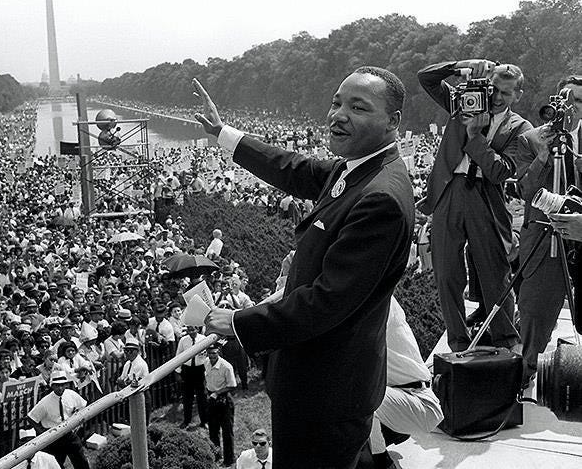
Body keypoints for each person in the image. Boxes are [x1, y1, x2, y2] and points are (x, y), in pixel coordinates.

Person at [195, 65, 414, 469]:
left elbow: (327, 302)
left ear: (393, 122)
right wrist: (223, 134)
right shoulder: (358, 168)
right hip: (319, 381)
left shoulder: (380, 197)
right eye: (336, 102)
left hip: (327, 392)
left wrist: (240, 321)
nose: (339, 114)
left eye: (358, 106)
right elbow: (292, 168)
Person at [417, 59, 532, 352]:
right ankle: (458, 341)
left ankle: (506, 340)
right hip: (449, 191)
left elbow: (500, 171)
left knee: (495, 271)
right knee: (446, 272)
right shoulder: (463, 102)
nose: (495, 97)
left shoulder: (521, 128)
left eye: (505, 93)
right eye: (493, 89)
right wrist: (460, 65)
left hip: (486, 196)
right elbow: (426, 78)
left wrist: (474, 137)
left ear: (518, 96)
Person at [516, 74, 582, 385]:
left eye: (580, 102)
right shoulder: (531, 139)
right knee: (536, 312)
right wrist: (546, 152)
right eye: (568, 99)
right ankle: (527, 372)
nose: (573, 107)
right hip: (544, 238)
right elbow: (526, 191)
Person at [369, 296, 443, 468]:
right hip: (398, 394)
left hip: (419, 401)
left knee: (360, 395)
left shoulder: (378, 305)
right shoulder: (372, 294)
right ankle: (384, 435)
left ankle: (382, 462)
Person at [27, 371, 90, 469]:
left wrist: (78, 422)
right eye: (57, 385)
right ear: (52, 386)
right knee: (56, 464)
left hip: (69, 434)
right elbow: (31, 418)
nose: (60, 388)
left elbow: (83, 406)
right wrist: (42, 432)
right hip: (54, 438)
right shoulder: (45, 402)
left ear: (66, 384)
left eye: (62, 385)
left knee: (81, 460)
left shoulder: (71, 394)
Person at [204, 343, 237, 467]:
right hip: (211, 399)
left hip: (224, 400)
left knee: (227, 431)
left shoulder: (226, 367)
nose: (212, 356)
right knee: (213, 430)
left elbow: (232, 386)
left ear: (219, 352)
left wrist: (217, 393)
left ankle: (229, 460)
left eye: (214, 353)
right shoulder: (206, 362)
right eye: (210, 353)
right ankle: (216, 456)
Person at [175, 325, 208, 428]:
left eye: (193, 329)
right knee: (187, 397)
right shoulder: (183, 341)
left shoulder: (203, 339)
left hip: (200, 370)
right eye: (189, 330)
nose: (191, 332)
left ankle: (204, 421)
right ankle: (186, 420)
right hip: (187, 370)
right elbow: (178, 356)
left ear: (197, 329)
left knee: (202, 397)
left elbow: (207, 356)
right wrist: (178, 372)